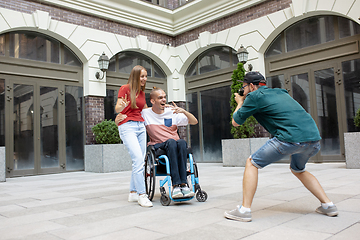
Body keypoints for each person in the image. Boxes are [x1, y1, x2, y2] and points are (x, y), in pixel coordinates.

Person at [224, 71, 338, 222]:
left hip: (289, 139)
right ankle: (328, 205)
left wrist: (240, 102)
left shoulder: (254, 96)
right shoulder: (280, 92)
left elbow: (236, 122)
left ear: (251, 86)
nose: (242, 90)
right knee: (299, 170)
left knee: (251, 163)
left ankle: (244, 210)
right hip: (313, 140)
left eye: (243, 87)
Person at [116, 87, 198, 198]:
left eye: (164, 97)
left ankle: (183, 185)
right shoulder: (145, 113)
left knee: (181, 142)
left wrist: (183, 111)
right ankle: (176, 186)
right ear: (152, 101)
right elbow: (131, 116)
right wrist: (119, 118)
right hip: (158, 146)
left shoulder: (172, 112)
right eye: (160, 98)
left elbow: (194, 121)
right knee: (172, 142)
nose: (164, 100)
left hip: (174, 145)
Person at [115, 65, 153, 207]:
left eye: (146, 76)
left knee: (140, 160)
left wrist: (162, 108)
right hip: (127, 126)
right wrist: (121, 107)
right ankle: (142, 195)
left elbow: (145, 110)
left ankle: (132, 193)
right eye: (142, 76)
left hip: (140, 127)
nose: (145, 79)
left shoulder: (142, 93)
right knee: (138, 159)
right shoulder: (125, 88)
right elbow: (118, 107)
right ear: (135, 76)